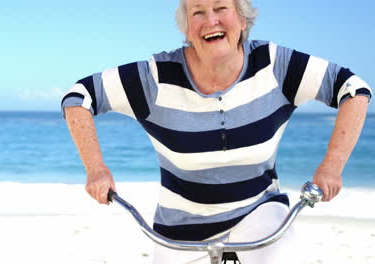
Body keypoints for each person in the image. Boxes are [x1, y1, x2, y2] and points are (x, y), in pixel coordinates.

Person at [61, 0, 371, 263]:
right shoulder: (155, 78)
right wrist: (96, 168)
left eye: (221, 7)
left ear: (241, 16)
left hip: (260, 214)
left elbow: (353, 88)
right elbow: (79, 96)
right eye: (197, 11)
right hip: (178, 230)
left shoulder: (274, 65)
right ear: (186, 27)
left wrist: (332, 166)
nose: (211, 21)